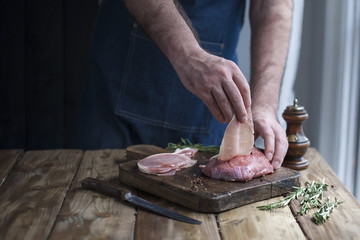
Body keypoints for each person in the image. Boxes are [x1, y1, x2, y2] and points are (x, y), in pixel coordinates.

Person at [77, 0, 292, 169]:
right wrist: (188, 55)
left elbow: (272, 5)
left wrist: (264, 105)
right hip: (121, 79)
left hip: (211, 102)